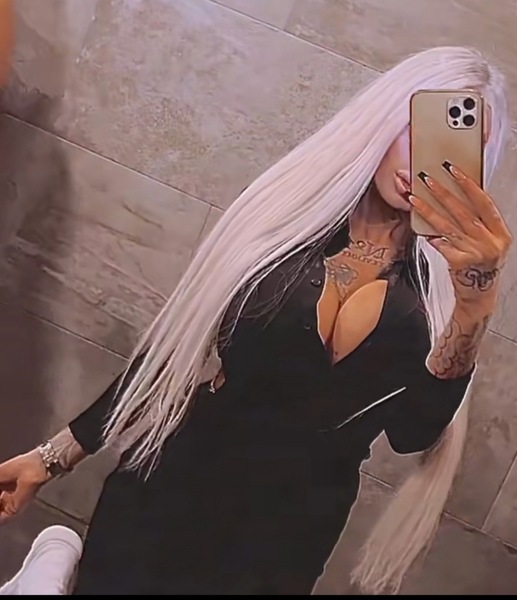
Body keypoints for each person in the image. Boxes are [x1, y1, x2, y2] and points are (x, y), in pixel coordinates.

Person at [0, 46, 512, 595]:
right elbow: (171, 356)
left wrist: (475, 301)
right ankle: (56, 556)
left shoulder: (439, 298)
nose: (426, 160)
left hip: (287, 543)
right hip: (165, 494)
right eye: (419, 125)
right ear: (384, 118)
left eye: (460, 147)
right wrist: (51, 458)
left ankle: (52, 562)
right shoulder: (283, 223)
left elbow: (412, 434)